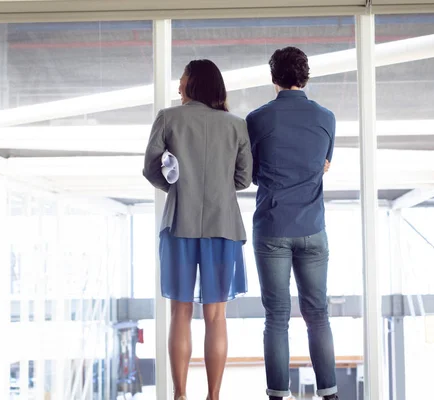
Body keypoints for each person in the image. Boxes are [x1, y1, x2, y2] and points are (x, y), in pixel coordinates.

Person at [143, 59, 253, 400]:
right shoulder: (237, 126)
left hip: (180, 224)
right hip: (223, 226)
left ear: (193, 83)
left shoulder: (168, 118)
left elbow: (150, 169)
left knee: (180, 311)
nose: (178, 86)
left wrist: (175, 186)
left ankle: (179, 394)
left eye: (182, 80)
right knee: (216, 316)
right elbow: (244, 179)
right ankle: (214, 396)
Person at [246, 47, 338, 400]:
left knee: (277, 317)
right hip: (313, 229)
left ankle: (277, 395)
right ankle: (329, 393)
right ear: (306, 76)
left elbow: (251, 173)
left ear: (274, 78)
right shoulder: (326, 118)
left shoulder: (257, 120)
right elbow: (324, 164)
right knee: (318, 315)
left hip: (271, 228)